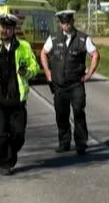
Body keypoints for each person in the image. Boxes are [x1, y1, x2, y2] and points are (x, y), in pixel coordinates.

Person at [0, 14, 41, 175]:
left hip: (17, 100)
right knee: (1, 134)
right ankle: (5, 163)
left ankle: (10, 153)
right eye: (2, 28)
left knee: (19, 135)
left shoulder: (23, 47)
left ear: (13, 30)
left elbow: (35, 68)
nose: (4, 31)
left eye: (8, 28)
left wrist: (27, 72)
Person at [40, 9, 100, 155]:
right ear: (60, 24)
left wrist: (90, 73)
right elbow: (43, 53)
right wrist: (47, 72)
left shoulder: (82, 38)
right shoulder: (54, 38)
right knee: (61, 114)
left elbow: (95, 54)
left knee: (79, 112)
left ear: (72, 22)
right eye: (62, 23)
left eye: (67, 23)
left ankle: (81, 143)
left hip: (76, 84)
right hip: (59, 85)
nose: (65, 26)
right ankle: (64, 142)